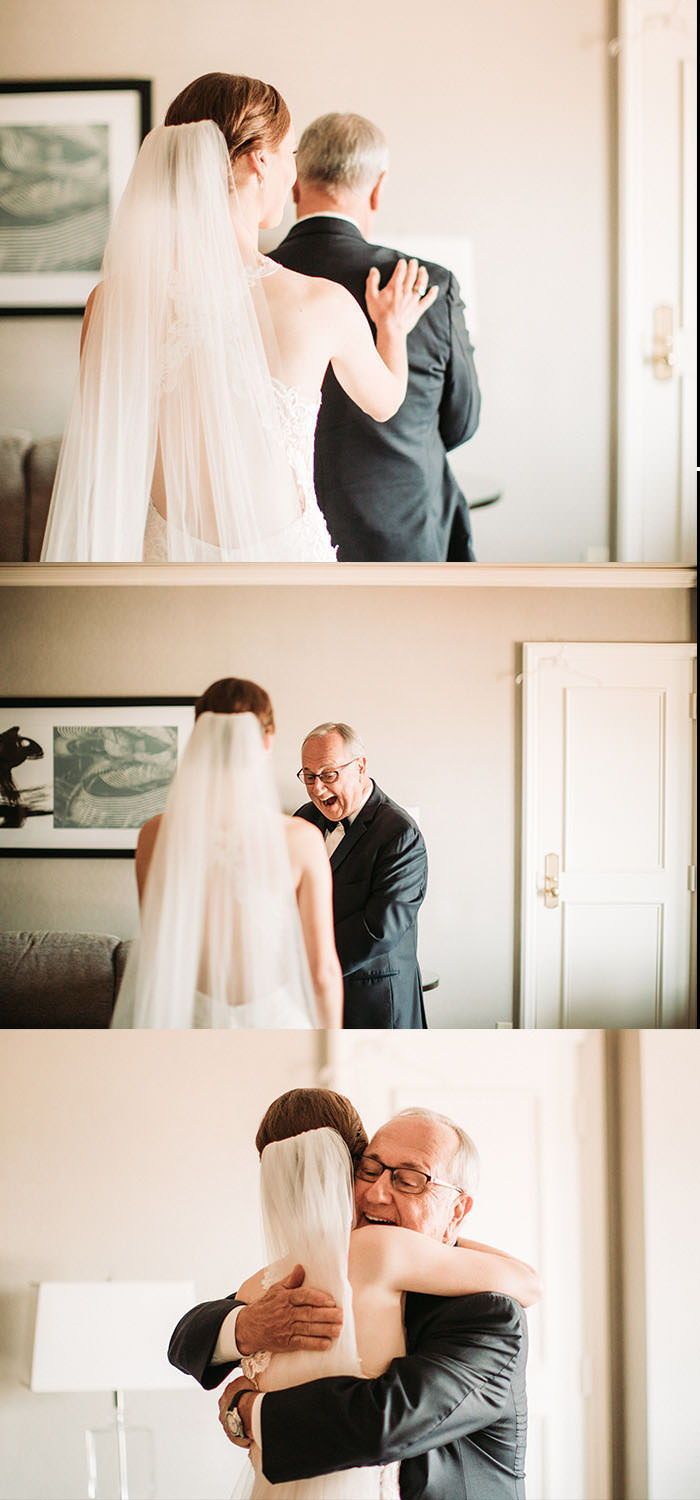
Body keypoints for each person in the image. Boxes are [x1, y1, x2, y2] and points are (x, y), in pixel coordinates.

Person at [41, 75, 437, 562]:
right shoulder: (320, 303)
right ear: (259, 160)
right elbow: (385, 403)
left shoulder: (113, 303)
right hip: (286, 570)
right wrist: (392, 329)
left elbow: (107, 455)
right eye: (290, 155)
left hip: (167, 570)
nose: (292, 177)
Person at [169, 1088, 537, 1499]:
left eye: (410, 1180)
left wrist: (247, 1409)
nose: (377, 1193)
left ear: (457, 1211)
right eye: (370, 1169)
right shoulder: (305, 1276)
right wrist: (245, 1329)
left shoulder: (486, 1314)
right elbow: (187, 1338)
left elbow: (381, 1423)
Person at [271, 112, 481, 561]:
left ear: (294, 185)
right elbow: (461, 423)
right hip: (402, 538)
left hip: (281, 537)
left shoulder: (252, 284)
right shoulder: (428, 286)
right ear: (378, 187)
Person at [111, 679, 342, 1029]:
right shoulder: (302, 840)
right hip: (273, 1020)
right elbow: (322, 971)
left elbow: (161, 950)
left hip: (191, 1017)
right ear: (267, 739)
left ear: (201, 738)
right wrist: (331, 1057)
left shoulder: (154, 835)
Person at [295, 723, 427, 1027]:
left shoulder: (399, 833)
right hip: (311, 1002)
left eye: (329, 774)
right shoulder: (303, 820)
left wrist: (309, 965)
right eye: (309, 776)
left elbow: (379, 929)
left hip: (375, 1000)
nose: (317, 788)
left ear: (360, 766)